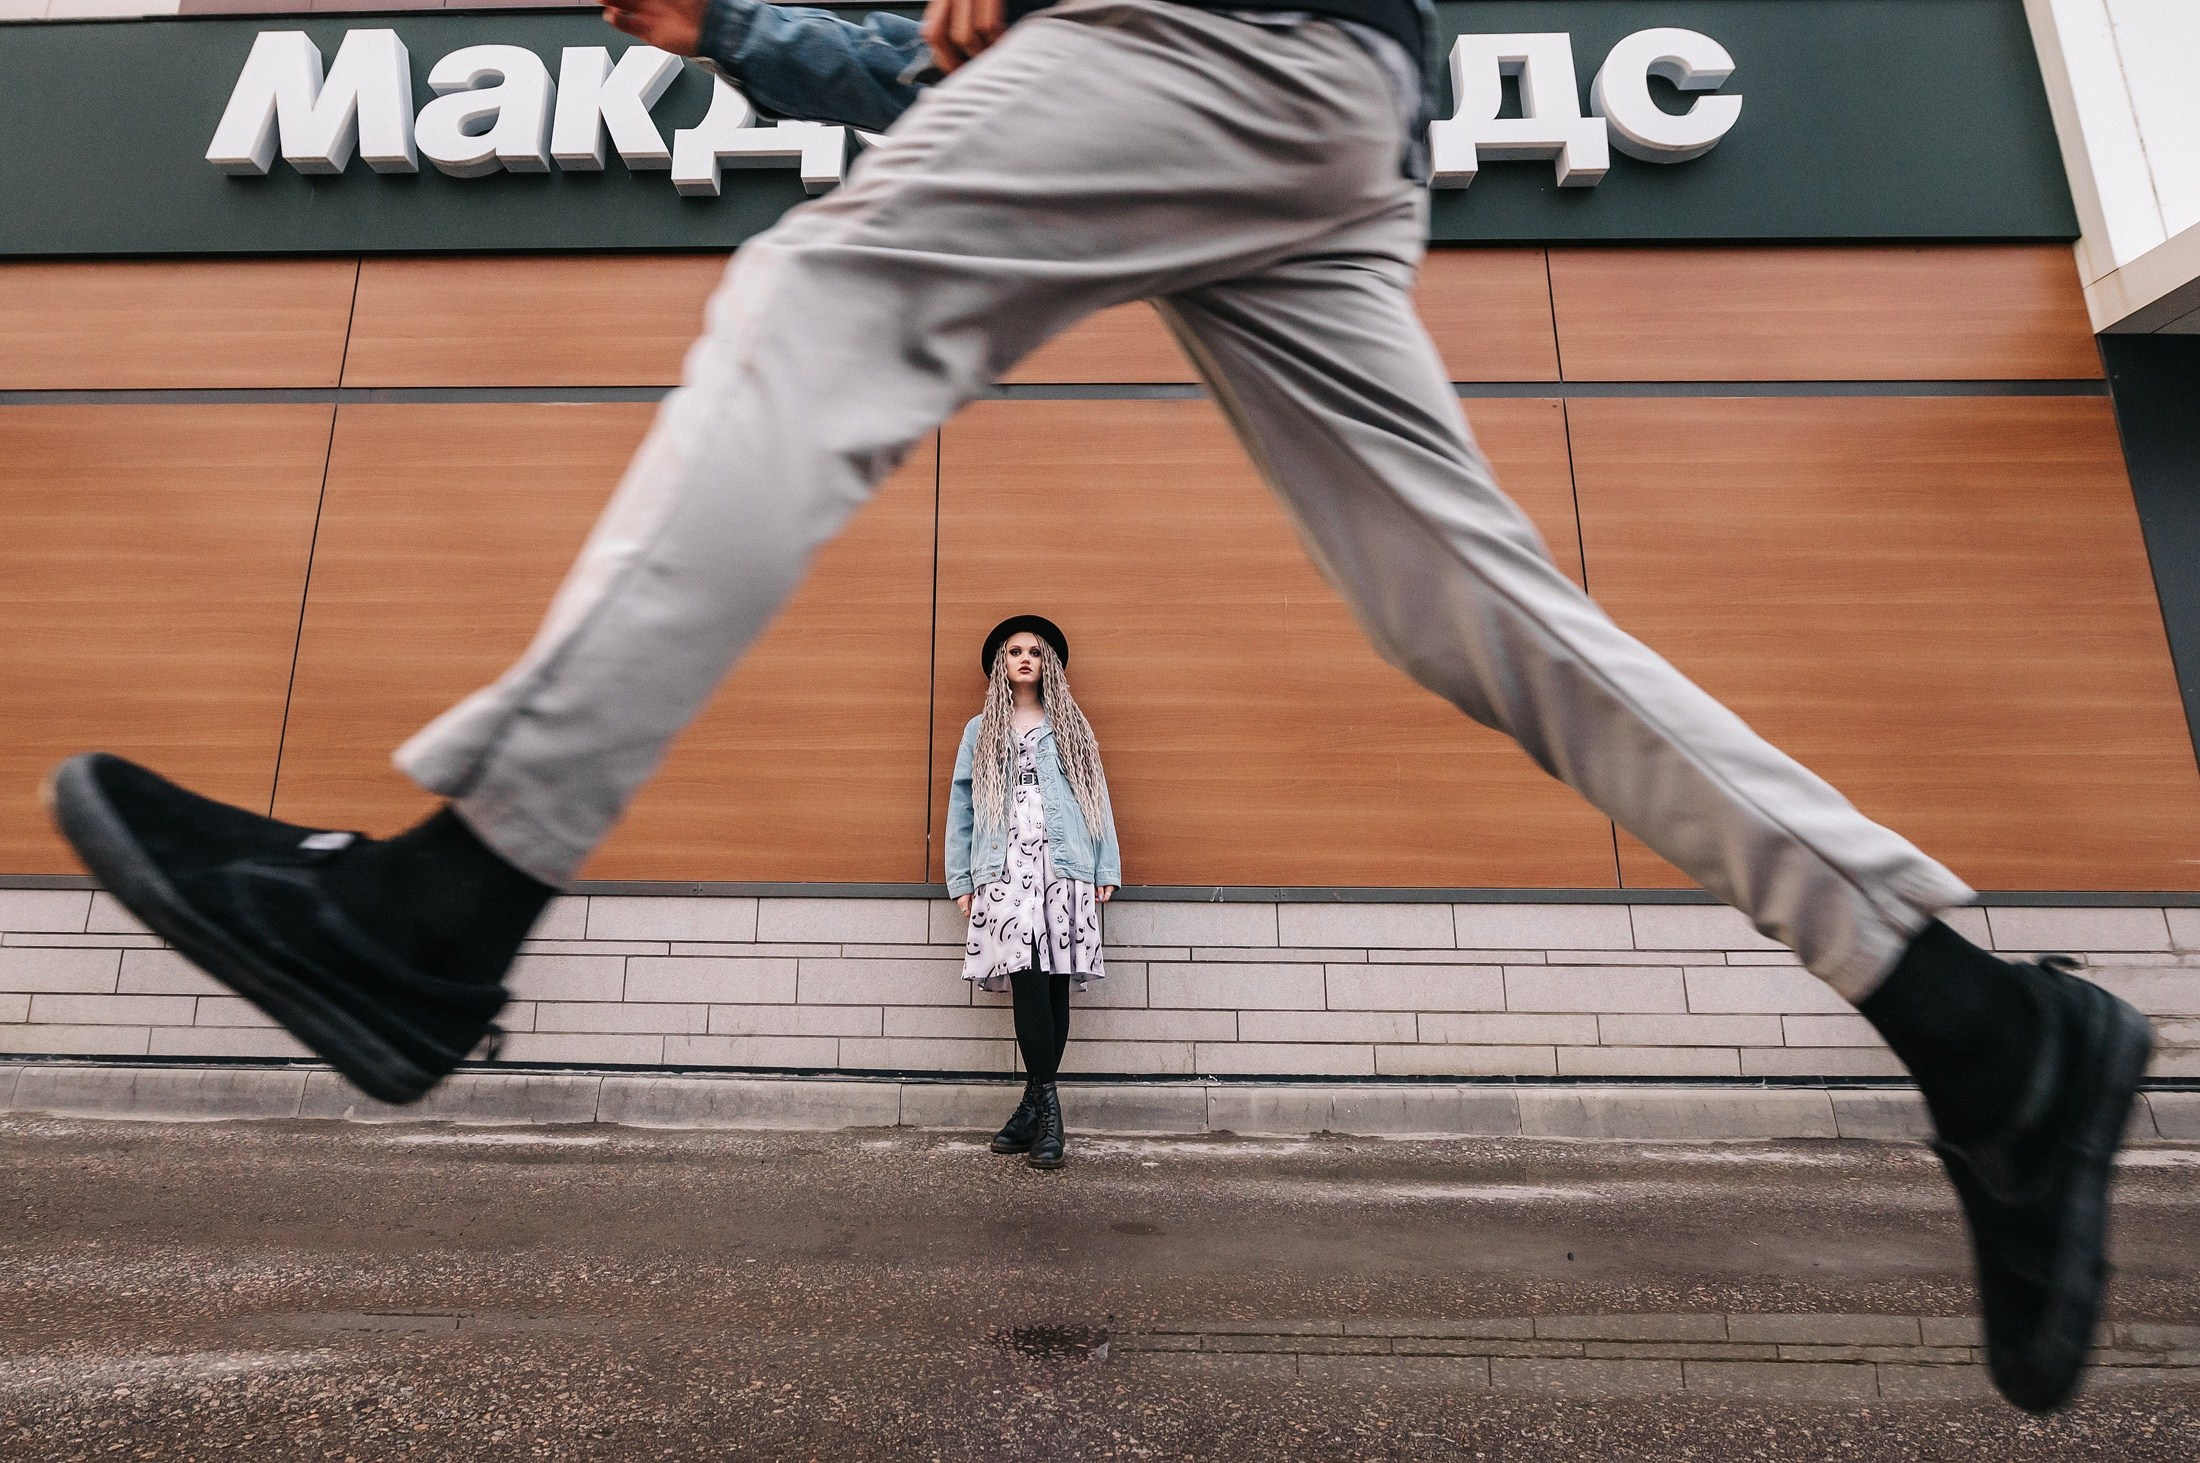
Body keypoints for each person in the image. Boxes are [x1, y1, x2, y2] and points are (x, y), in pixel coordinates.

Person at [43, 0, 2152, 1416]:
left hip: (1227, 39)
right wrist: (734, 28)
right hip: (1312, 89)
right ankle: (1975, 1017)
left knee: (822, 295)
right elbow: (975, 78)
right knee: (1465, 609)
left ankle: (445, 906)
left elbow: (1029, 70)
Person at [947, 617, 1122, 1170]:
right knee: (1026, 977)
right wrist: (962, 879)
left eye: (1035, 651)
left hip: (1064, 865)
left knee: (1053, 982)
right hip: (1004, 866)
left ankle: (1033, 1110)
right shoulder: (981, 729)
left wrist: (1105, 866)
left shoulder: (1070, 724)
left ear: (1049, 664)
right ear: (1001, 664)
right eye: (1015, 651)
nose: (1025, 658)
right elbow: (962, 804)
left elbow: (1096, 795)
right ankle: (1048, 1113)